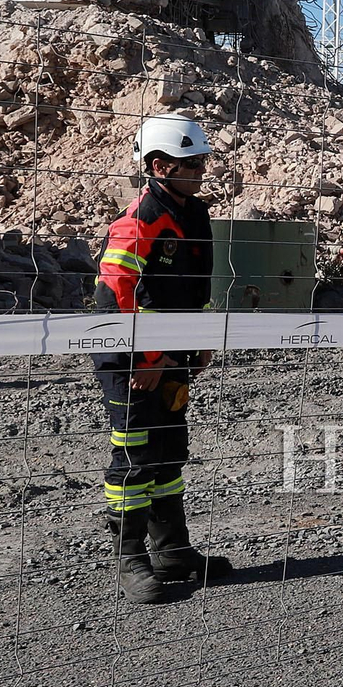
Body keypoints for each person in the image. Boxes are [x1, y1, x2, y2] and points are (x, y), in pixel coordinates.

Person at [94, 113, 232, 604]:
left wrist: (199, 338)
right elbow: (115, 293)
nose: (201, 169)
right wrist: (148, 358)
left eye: (200, 161)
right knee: (133, 458)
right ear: (159, 166)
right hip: (132, 359)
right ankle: (131, 559)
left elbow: (193, 290)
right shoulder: (140, 220)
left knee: (169, 451)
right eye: (191, 162)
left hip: (168, 354)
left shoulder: (191, 213)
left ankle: (172, 549)